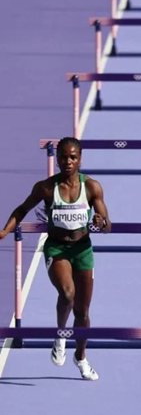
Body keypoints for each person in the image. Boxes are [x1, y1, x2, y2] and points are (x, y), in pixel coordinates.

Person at [0, 137, 110, 381]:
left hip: (83, 250)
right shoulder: (46, 188)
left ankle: (80, 357)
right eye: (64, 157)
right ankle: (60, 335)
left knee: (82, 311)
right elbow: (22, 209)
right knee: (68, 294)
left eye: (73, 157)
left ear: (80, 160)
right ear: (57, 159)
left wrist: (101, 223)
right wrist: (6, 230)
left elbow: (107, 225)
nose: (68, 161)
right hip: (57, 249)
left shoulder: (92, 187)